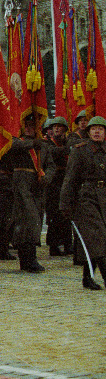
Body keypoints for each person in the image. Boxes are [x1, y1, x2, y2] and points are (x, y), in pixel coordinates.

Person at [59, 115, 106, 290]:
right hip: (86, 197)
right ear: (88, 132)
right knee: (98, 236)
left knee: (94, 240)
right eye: (93, 129)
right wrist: (65, 205)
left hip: (104, 199)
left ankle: (87, 277)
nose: (97, 132)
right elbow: (69, 180)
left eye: (100, 129)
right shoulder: (80, 151)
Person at [4, 116, 46, 273]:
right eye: (26, 126)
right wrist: (31, 143)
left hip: (38, 186)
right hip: (21, 184)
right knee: (28, 221)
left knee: (35, 223)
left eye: (32, 126)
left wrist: (46, 176)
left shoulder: (42, 144)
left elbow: (51, 166)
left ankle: (30, 259)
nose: (28, 129)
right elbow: (12, 146)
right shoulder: (18, 142)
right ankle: (27, 259)